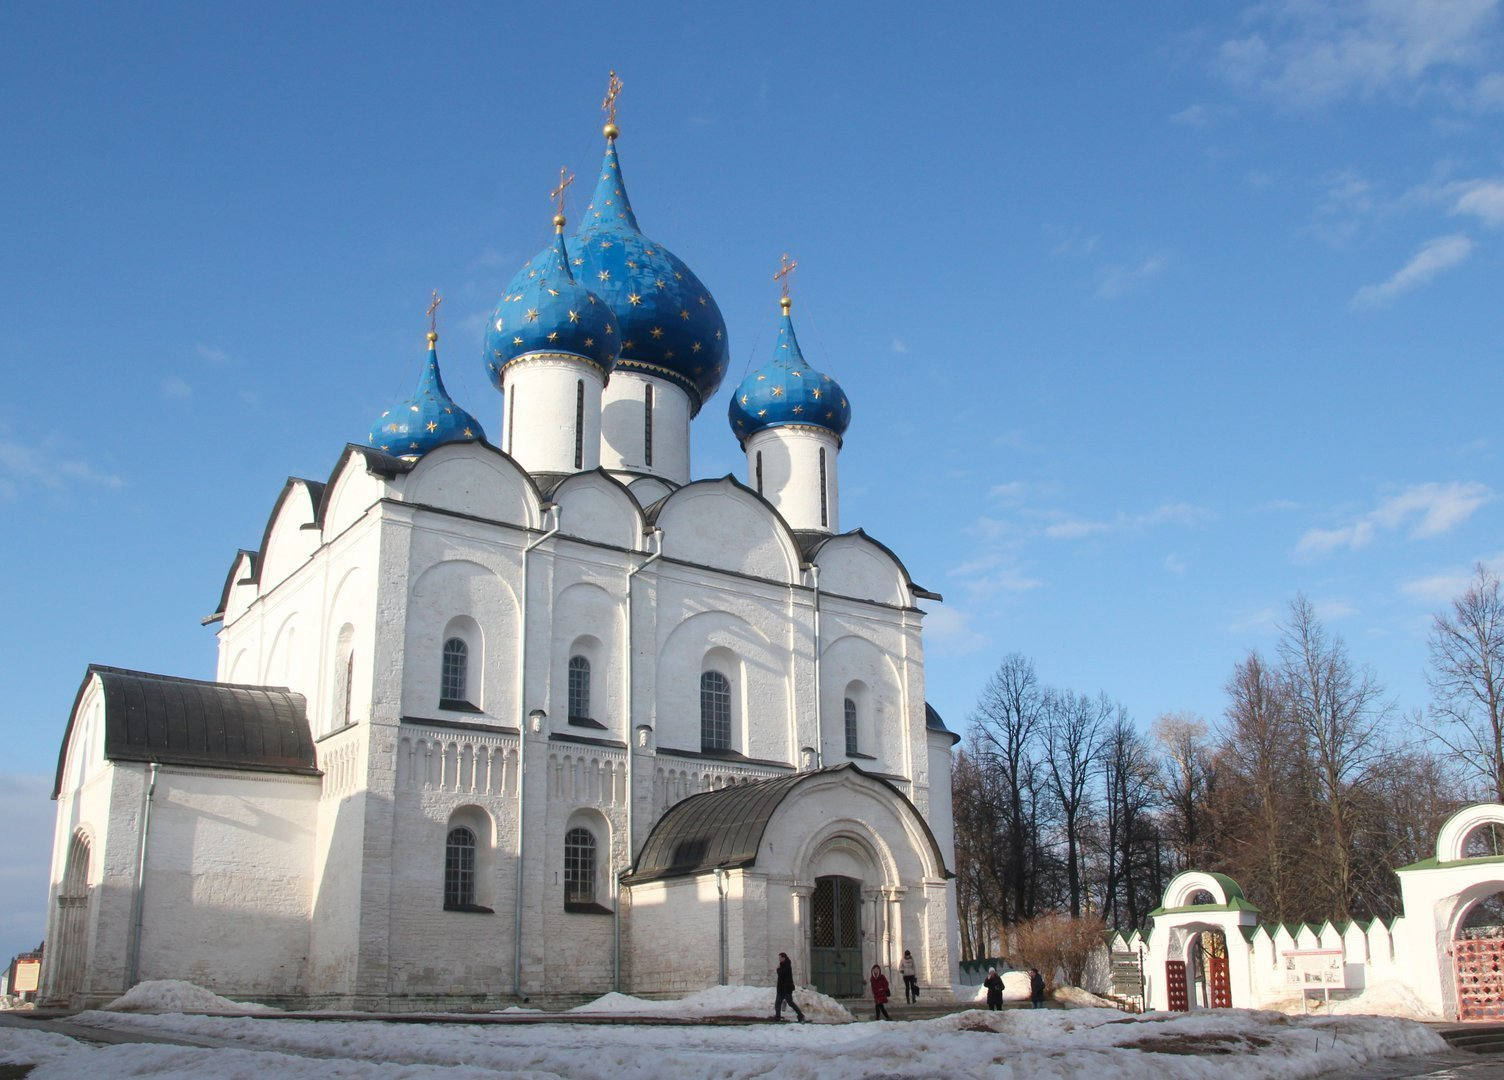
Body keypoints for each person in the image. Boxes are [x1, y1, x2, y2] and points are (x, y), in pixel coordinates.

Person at [772, 952, 805, 1023]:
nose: (779, 959)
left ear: (783, 958)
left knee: (790, 1002)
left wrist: (778, 969)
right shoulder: (783, 964)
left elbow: (782, 974)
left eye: (780, 958)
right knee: (778, 1003)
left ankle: (800, 1015)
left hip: (786, 988)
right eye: (779, 958)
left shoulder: (787, 965)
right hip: (781, 988)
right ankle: (777, 1017)